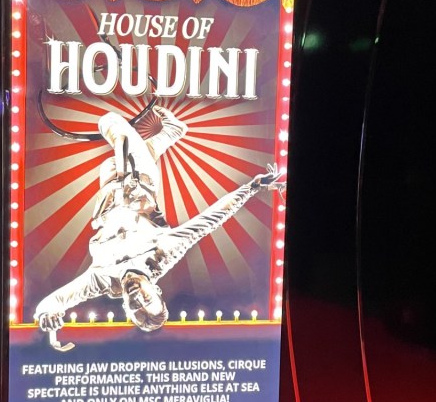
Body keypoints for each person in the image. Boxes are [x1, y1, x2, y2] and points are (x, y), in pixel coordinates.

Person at [34, 105, 282, 341]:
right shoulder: (164, 253)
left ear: (125, 307)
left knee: (113, 161)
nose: (137, 299)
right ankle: (161, 134)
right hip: (138, 177)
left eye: (134, 307)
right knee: (109, 121)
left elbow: (57, 301)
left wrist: (46, 313)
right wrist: (252, 188)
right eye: (147, 300)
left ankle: (173, 131)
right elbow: (210, 221)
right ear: (157, 292)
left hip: (109, 187)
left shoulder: (101, 280)